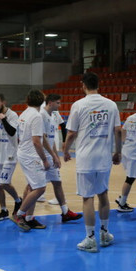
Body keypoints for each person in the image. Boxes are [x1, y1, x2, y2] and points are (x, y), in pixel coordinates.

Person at [63, 72, 122, 253]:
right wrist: (118, 151)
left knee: (87, 198)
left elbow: (71, 133)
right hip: (104, 157)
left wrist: (65, 150)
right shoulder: (111, 105)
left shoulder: (78, 105)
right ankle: (104, 234)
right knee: (103, 195)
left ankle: (90, 239)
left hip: (86, 158)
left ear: (83, 85)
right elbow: (118, 131)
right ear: (99, 84)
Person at [10, 89, 50, 231]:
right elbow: (36, 141)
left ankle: (29, 218)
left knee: (32, 186)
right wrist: (44, 159)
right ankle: (20, 214)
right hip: (30, 155)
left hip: (23, 152)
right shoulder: (36, 116)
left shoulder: (24, 113)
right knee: (40, 188)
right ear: (42, 101)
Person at [40, 93, 82, 221]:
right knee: (34, 186)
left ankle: (65, 212)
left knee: (57, 182)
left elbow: (51, 139)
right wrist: (51, 156)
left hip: (51, 155)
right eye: (58, 103)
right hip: (41, 156)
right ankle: (23, 213)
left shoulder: (53, 116)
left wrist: (55, 156)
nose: (60, 105)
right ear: (50, 102)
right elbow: (42, 139)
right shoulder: (41, 115)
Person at [0, 92, 22, 221]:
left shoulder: (12, 115)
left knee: (4, 182)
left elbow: (12, 132)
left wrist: (3, 119)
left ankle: (18, 200)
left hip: (10, 155)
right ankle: (3, 210)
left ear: (3, 102)